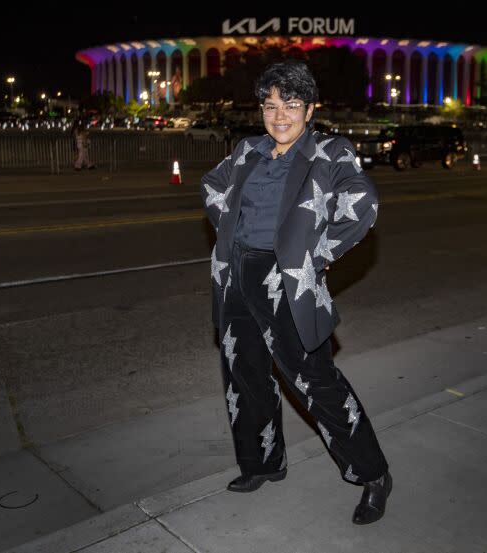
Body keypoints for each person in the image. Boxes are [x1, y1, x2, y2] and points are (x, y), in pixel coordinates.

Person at [201, 60, 391, 525]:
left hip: (285, 280)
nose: (279, 115)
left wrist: (315, 255)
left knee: (316, 383)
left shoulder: (330, 152)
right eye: (270, 105)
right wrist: (229, 234)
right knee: (244, 375)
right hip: (237, 274)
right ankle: (263, 462)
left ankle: (373, 474)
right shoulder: (247, 150)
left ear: (310, 108)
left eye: (290, 105)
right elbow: (211, 185)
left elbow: (363, 203)